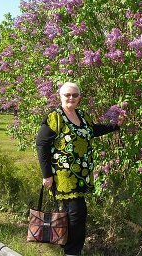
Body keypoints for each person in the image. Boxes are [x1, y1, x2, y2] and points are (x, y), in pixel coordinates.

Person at [36, 82, 123, 256]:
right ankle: (72, 252)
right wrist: (47, 175)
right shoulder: (56, 117)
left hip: (81, 175)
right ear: (60, 97)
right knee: (77, 214)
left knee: (71, 215)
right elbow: (41, 145)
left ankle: (68, 248)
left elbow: (93, 130)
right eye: (67, 95)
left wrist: (116, 125)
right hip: (64, 177)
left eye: (75, 95)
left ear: (79, 98)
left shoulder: (82, 115)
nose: (71, 98)